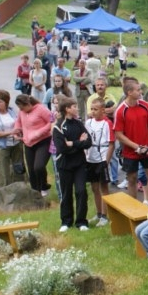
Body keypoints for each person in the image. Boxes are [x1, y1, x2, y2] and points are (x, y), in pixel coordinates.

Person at [114, 76, 148, 205]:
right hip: (130, 151)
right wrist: (136, 147)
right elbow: (118, 134)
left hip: (147, 149)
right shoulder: (121, 111)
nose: (141, 92)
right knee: (132, 178)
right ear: (129, 92)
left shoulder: (145, 106)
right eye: (138, 90)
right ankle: (134, 208)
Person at [52, 96, 92, 232]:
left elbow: (88, 142)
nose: (77, 108)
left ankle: (81, 222)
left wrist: (72, 143)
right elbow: (62, 148)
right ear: (67, 109)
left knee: (81, 191)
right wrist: (79, 143)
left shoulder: (79, 124)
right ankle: (66, 221)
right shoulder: (58, 127)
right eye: (74, 106)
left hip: (79, 164)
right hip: (64, 165)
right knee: (66, 193)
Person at [13, 94, 54, 196]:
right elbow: (18, 122)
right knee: (31, 170)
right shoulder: (22, 112)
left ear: (28, 104)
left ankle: (44, 185)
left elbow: (52, 121)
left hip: (43, 141)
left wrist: (38, 133)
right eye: (20, 108)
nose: (21, 110)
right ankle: (35, 193)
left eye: (22, 108)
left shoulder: (41, 109)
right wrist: (17, 130)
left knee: (38, 167)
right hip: (28, 143)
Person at [85, 97, 115, 227]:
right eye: (91, 109)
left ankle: (104, 215)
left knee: (104, 187)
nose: (93, 111)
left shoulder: (107, 123)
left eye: (95, 109)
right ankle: (98, 213)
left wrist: (106, 161)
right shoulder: (88, 122)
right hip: (90, 158)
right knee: (94, 187)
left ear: (103, 110)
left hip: (102, 158)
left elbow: (111, 144)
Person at [0, 90, 23, 188]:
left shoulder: (12, 111)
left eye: (0, 101)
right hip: (2, 146)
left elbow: (19, 124)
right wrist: (11, 132)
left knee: (18, 169)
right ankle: (4, 192)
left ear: (6, 102)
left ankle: (20, 190)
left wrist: (19, 132)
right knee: (4, 172)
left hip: (16, 144)